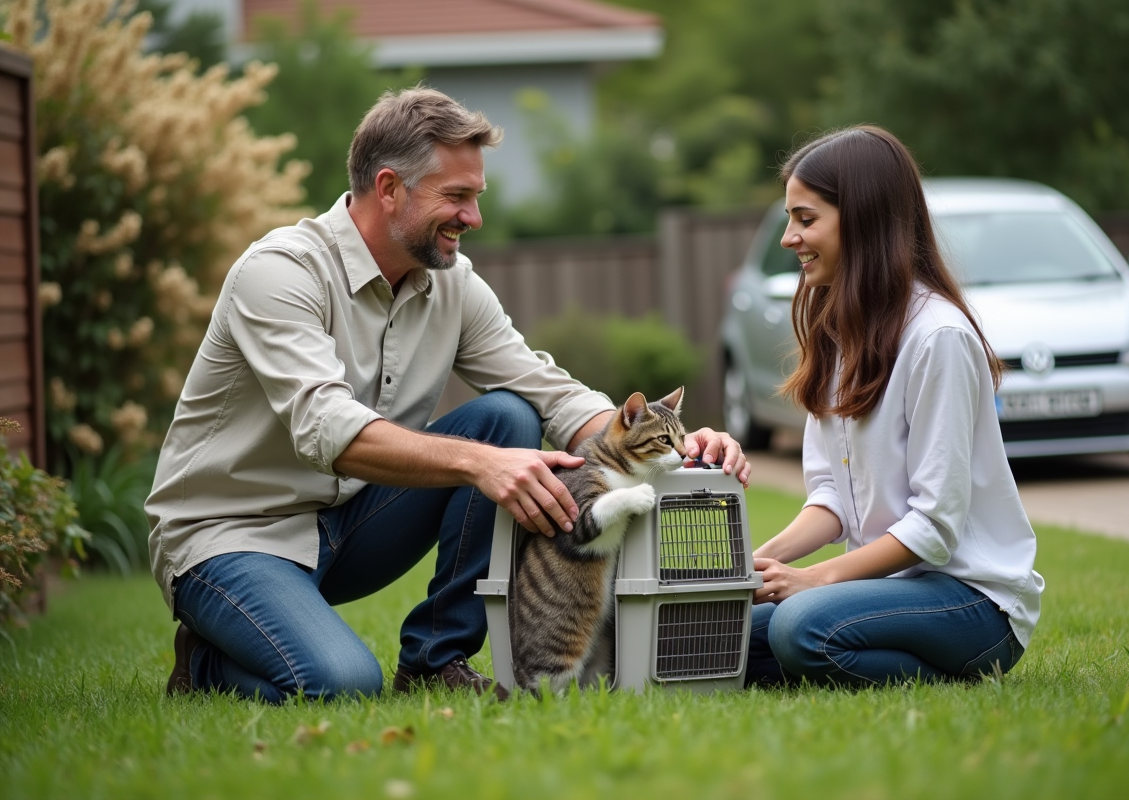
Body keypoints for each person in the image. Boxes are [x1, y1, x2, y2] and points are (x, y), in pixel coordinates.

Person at [147, 87, 750, 703]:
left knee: (507, 417)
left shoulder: (453, 284)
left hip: (351, 524)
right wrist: (479, 465)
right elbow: (325, 425)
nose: (474, 217)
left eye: (475, 197)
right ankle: (203, 665)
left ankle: (436, 660)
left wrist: (670, 442)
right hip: (232, 537)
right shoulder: (279, 273)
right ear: (388, 189)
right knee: (341, 683)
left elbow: (548, 393)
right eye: (456, 197)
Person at [745, 126, 1043, 688]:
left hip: (971, 599)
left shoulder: (939, 338)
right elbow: (834, 498)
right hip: (889, 589)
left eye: (806, 220)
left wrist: (817, 581)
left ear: (863, 219)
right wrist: (754, 564)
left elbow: (934, 528)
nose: (789, 238)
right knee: (726, 632)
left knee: (798, 627)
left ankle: (961, 670)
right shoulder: (837, 333)